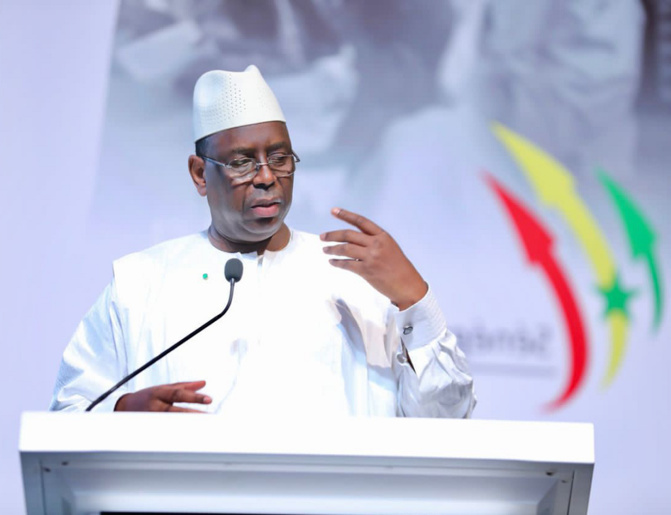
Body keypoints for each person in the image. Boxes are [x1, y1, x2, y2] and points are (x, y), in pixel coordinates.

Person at [50, 65, 475, 418]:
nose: (267, 177)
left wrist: (416, 300)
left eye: (279, 158)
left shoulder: (355, 281)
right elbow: (69, 414)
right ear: (200, 174)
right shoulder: (139, 284)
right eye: (241, 162)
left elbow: (446, 424)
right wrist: (121, 413)